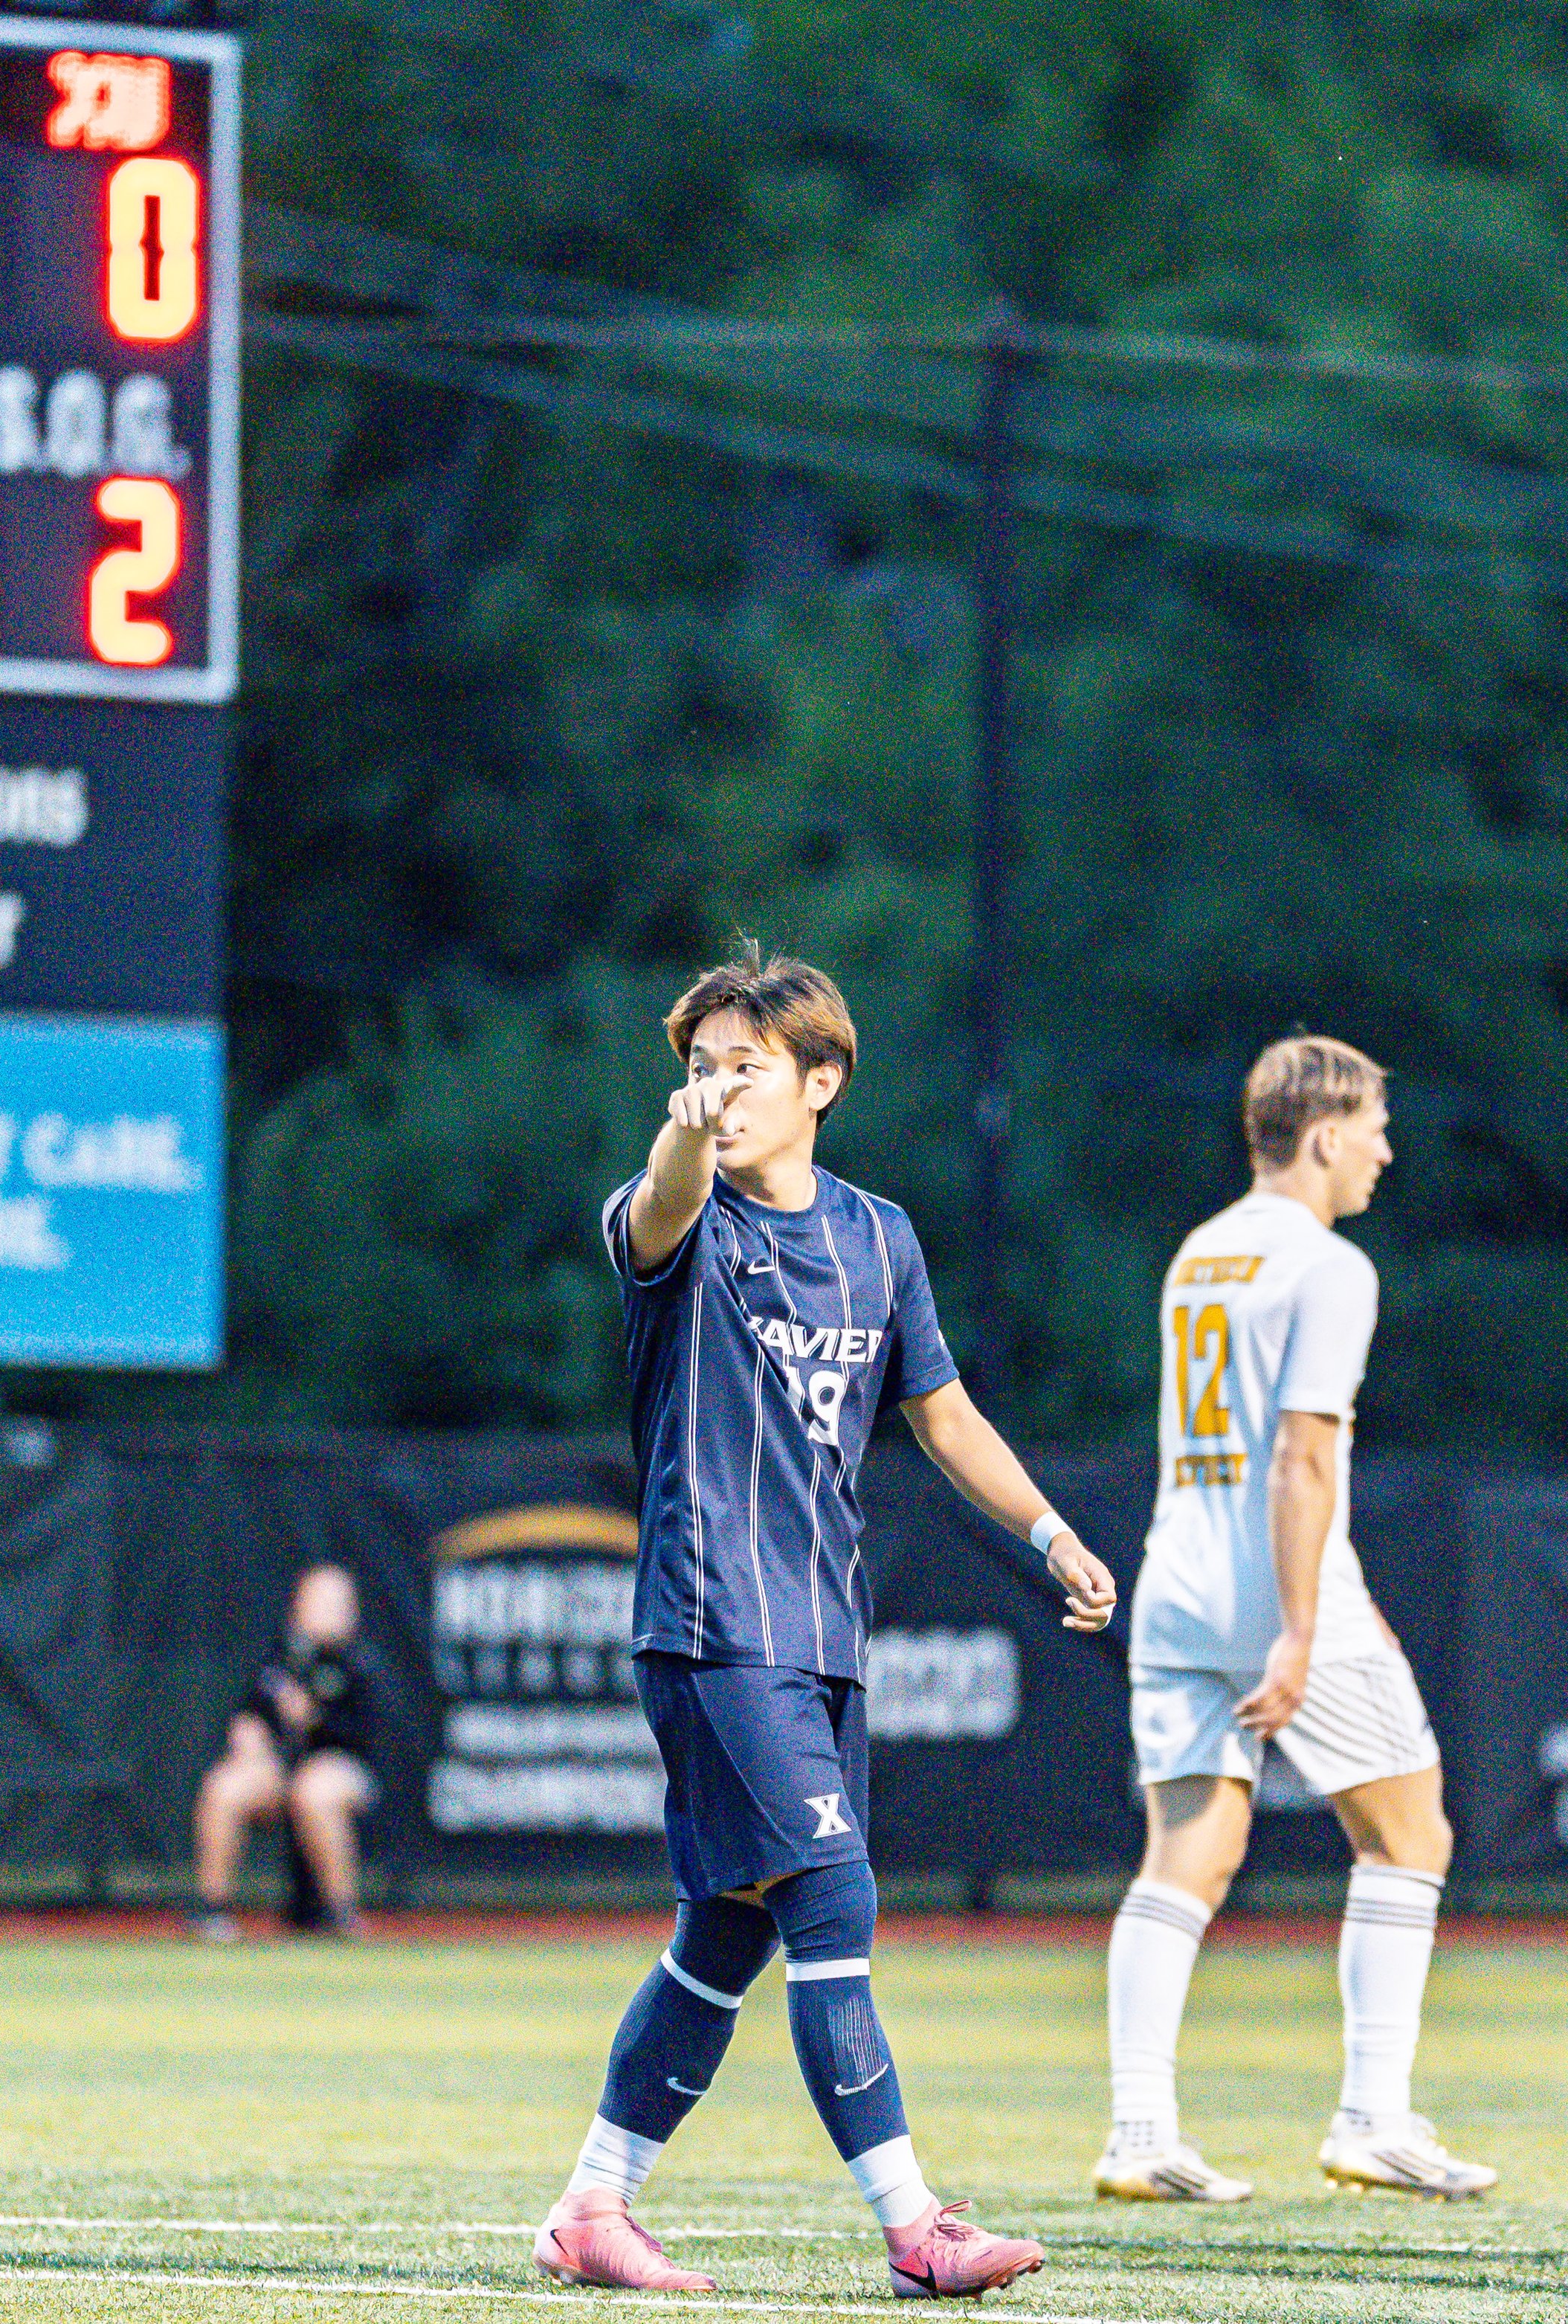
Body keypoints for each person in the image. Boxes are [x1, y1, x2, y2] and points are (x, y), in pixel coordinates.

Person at [533, 940, 1117, 2301]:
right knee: (831, 1893)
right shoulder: (679, 1218)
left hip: (823, 1636)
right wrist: (682, 1134)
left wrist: (1051, 1534)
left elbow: (946, 1417)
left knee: (729, 1927)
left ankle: (592, 2205)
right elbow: (660, 1203)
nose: (717, 1091)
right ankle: (917, 2227)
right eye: (698, 1068)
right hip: (709, 1620)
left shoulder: (878, 1237)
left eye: (746, 1069)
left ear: (823, 1082)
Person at [1093, 1036, 1497, 2204]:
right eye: (1372, 1124)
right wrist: (1302, 1627)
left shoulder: (1199, 1254)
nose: (1383, 1148)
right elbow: (1304, 1459)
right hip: (1279, 1585)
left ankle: (1139, 2131)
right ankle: (1373, 2116)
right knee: (1411, 1833)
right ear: (1322, 1135)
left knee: (1188, 1854)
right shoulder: (1330, 1265)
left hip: (1177, 1578)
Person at [190, 1562, 375, 1941]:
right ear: (299, 1606)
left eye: (340, 1604)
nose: (331, 1613)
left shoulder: (362, 1665)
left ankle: (342, 1916)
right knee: (224, 1786)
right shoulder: (277, 1659)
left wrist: (314, 1720)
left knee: (316, 1789)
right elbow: (251, 1720)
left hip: (341, 1775)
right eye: (321, 1602)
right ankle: (212, 1911)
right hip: (279, 1773)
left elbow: (366, 1738)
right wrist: (250, 1737)